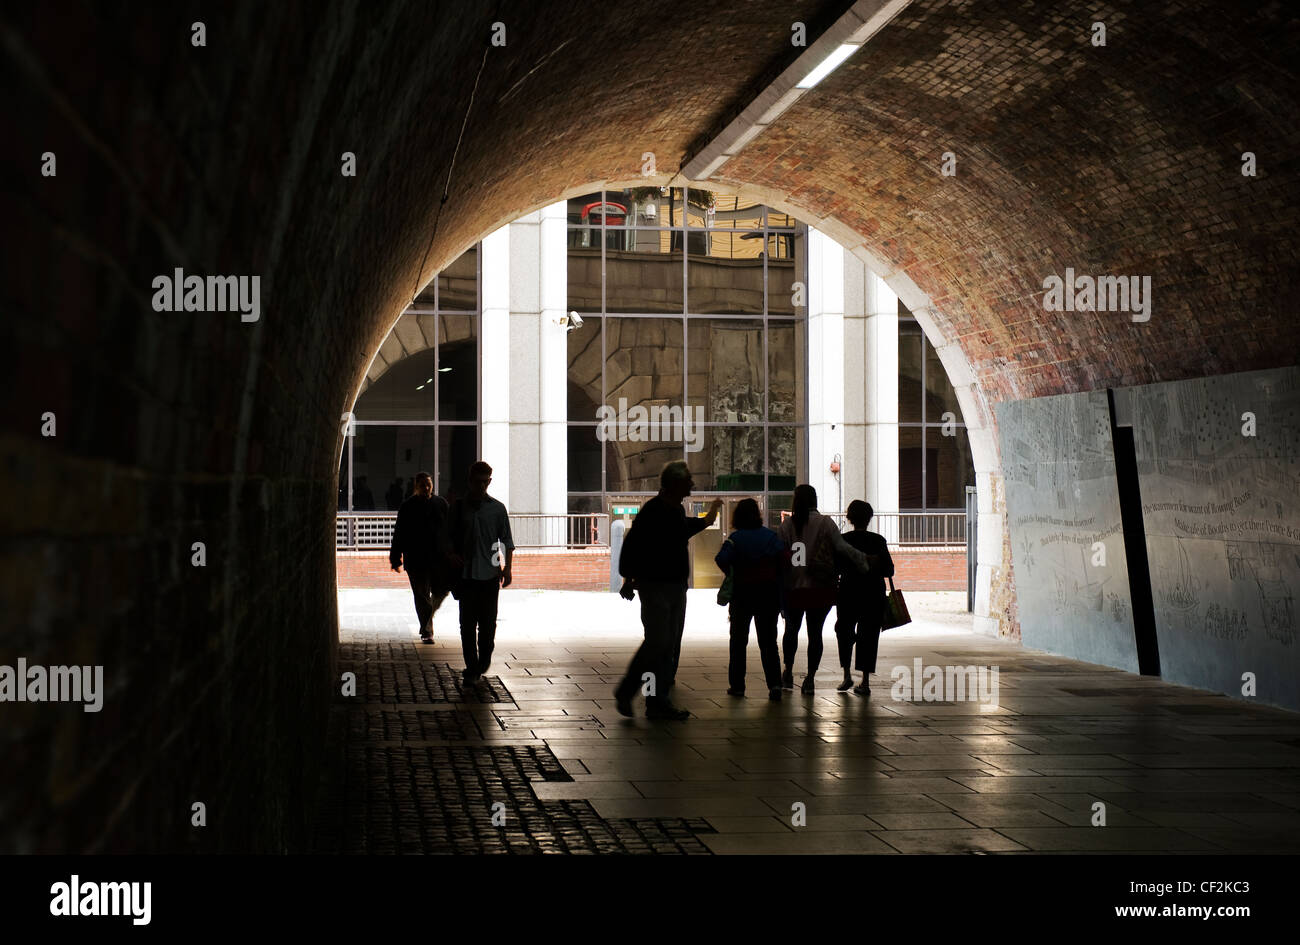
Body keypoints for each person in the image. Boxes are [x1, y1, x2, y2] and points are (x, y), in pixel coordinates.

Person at [614, 461, 721, 721]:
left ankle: (657, 701)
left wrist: (709, 517)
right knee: (658, 643)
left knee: (666, 646)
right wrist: (629, 578)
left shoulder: (673, 510)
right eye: (688, 481)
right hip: (657, 588)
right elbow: (634, 546)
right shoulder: (654, 510)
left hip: (673, 588)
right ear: (675, 484)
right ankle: (629, 691)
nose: (692, 485)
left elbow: (684, 528)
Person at [778, 484, 871, 694]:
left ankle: (788, 670)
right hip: (820, 588)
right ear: (815, 500)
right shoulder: (825, 523)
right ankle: (810, 679)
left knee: (791, 631)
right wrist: (863, 560)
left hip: (794, 589)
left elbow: (779, 556)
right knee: (815, 634)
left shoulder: (787, 526)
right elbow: (842, 548)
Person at [446, 461, 513, 684]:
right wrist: (451, 554)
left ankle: (483, 660)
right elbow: (446, 537)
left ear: (490, 481)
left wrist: (507, 568)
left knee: (488, 625)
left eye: (486, 482)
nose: (482, 486)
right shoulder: (458, 508)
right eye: (478, 482)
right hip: (466, 576)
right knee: (467, 625)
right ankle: (472, 667)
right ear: (470, 481)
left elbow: (506, 541)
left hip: (490, 575)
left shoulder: (497, 509)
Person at [715, 498, 785, 701]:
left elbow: (721, 559)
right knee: (768, 642)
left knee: (738, 641)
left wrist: (733, 573)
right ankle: (774, 685)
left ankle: (737, 685)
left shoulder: (735, 539)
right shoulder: (771, 537)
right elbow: (783, 559)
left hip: (742, 594)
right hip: (768, 594)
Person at [834, 500, 894, 695]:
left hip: (848, 592)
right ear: (869, 518)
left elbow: (836, 568)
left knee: (844, 631)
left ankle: (846, 675)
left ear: (849, 518)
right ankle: (865, 681)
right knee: (869, 636)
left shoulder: (843, 540)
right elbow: (889, 570)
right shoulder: (878, 541)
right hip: (873, 593)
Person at [389, 472, 451, 644]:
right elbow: (399, 533)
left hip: (438, 558)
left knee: (442, 590)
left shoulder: (441, 504)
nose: (426, 487)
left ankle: (427, 618)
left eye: (428, 484)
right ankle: (427, 631)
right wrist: (396, 558)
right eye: (423, 485)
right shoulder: (408, 506)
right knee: (421, 595)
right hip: (416, 559)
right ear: (416, 486)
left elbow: (451, 530)